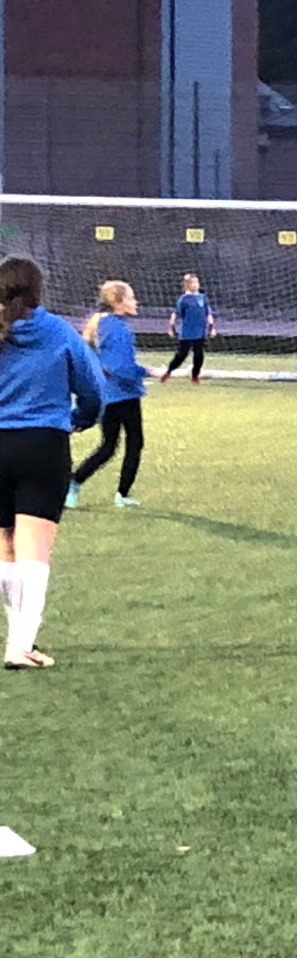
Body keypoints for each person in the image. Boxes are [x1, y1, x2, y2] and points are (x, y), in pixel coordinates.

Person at [0, 256, 106, 669]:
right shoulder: (58, 331)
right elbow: (93, 389)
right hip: (43, 444)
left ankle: (17, 641)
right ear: (37, 290)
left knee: (6, 545)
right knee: (34, 547)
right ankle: (20, 645)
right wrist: (79, 419)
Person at [69, 281, 151, 510]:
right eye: (131, 298)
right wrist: (147, 371)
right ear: (118, 302)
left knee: (109, 446)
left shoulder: (102, 324)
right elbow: (119, 367)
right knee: (133, 442)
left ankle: (76, 483)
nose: (136, 302)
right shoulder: (118, 329)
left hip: (107, 395)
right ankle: (120, 494)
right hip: (122, 395)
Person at [162, 273, 215, 384]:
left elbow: (208, 314)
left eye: (196, 282)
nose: (195, 284)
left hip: (200, 332)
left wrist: (212, 327)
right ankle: (169, 371)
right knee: (182, 355)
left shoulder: (203, 298)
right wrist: (171, 327)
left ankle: (195, 376)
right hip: (187, 332)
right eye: (192, 282)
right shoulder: (183, 299)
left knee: (199, 354)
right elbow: (176, 314)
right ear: (186, 285)